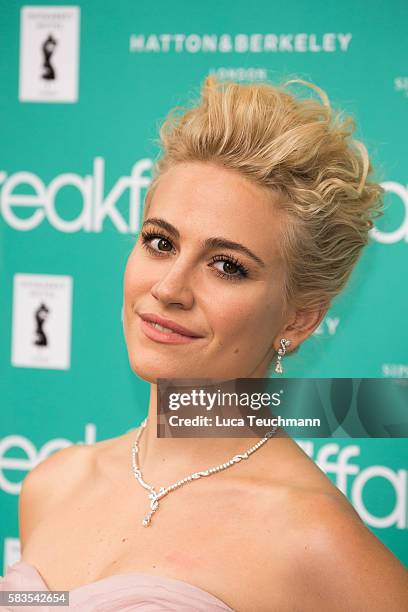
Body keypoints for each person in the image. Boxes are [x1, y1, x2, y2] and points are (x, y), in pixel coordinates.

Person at [2, 75, 407, 611]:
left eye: (226, 266)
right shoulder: (51, 486)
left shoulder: (313, 539)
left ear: (299, 319)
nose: (168, 288)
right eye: (160, 242)